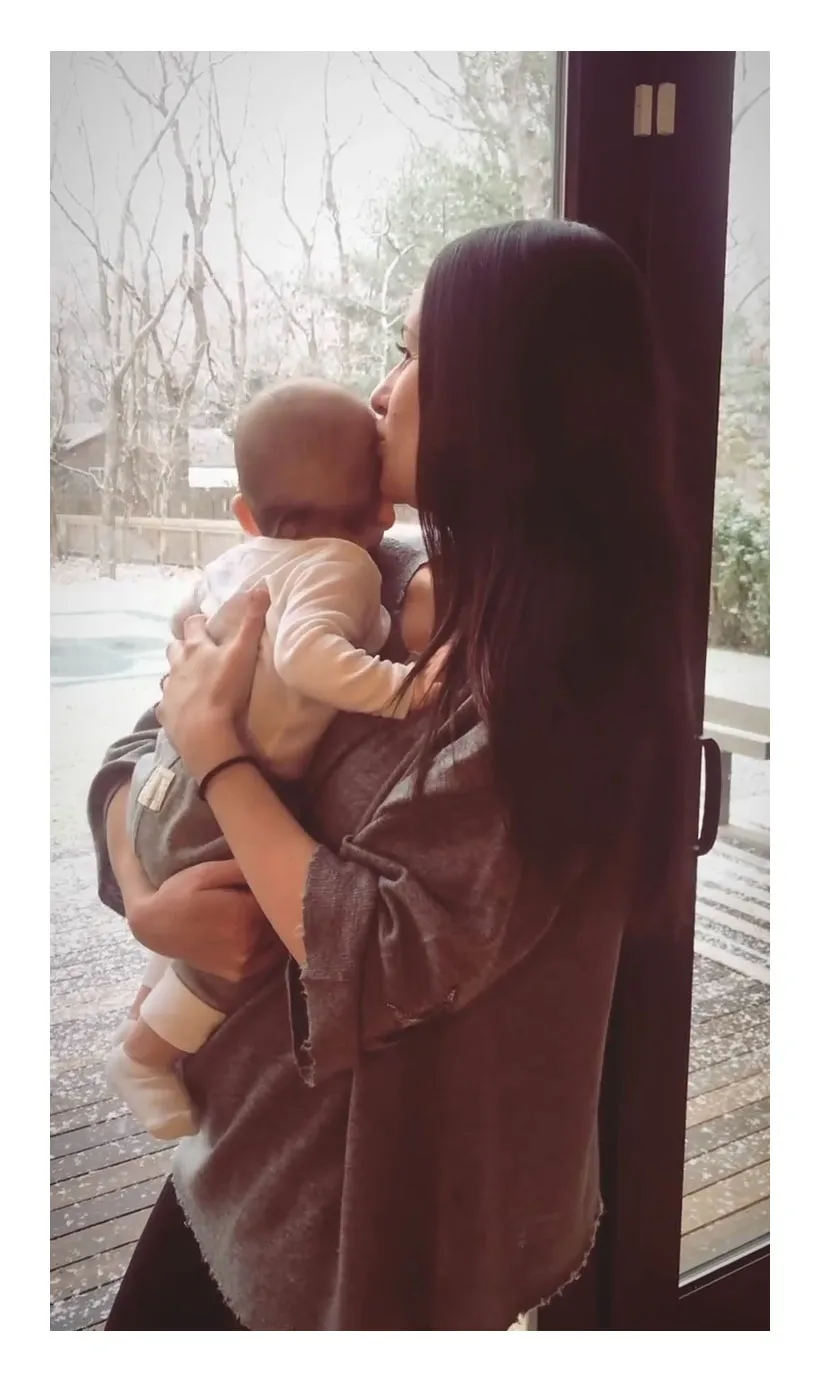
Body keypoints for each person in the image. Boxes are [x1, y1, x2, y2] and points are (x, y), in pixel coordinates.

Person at [88, 220, 694, 1331]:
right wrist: (144, 897)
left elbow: (374, 951)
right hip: (244, 1153)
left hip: (381, 1226)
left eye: (413, 355)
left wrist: (220, 757)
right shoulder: (366, 563)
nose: (381, 391)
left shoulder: (563, 679)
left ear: (510, 399)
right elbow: (143, 746)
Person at [104, 380, 436, 1141]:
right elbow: (305, 658)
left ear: (247, 516)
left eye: (411, 353)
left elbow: (182, 647)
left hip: (166, 786)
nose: (383, 390)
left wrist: (149, 895)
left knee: (204, 921)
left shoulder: (244, 562)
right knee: (233, 946)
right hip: (201, 800)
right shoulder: (344, 567)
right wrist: (405, 689)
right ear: (381, 510)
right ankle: (145, 1054)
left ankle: (145, 1017)